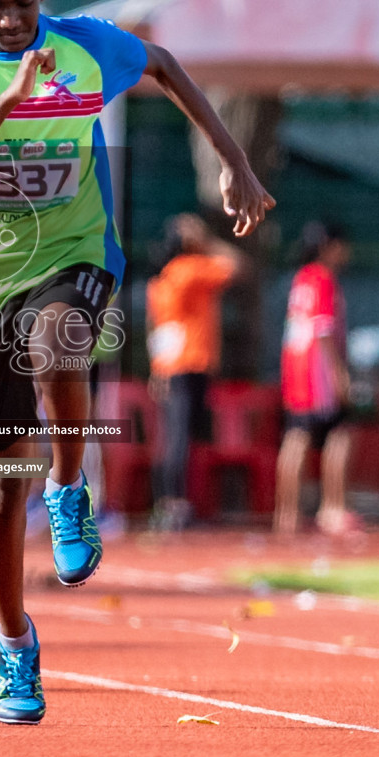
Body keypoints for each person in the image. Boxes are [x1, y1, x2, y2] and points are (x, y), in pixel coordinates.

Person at [0, 0, 274, 724]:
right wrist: (8, 96)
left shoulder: (84, 46)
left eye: (25, 3)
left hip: (73, 255)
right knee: (2, 475)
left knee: (59, 347)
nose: (11, 20)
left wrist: (234, 160)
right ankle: (13, 643)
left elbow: (166, 64)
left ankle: (70, 487)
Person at [146, 213, 245, 531]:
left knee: (174, 437)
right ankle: (175, 505)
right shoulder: (190, 269)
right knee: (179, 438)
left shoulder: (162, 277)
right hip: (190, 364)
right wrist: (206, 241)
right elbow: (237, 264)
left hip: (169, 366)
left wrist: (156, 371)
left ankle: (170, 502)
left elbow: (159, 329)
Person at [276, 220, 355, 536]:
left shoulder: (300, 279)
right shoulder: (323, 278)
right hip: (317, 374)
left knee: (296, 437)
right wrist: (339, 374)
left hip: (295, 370)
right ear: (330, 246)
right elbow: (324, 332)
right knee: (341, 433)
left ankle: (286, 513)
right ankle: (333, 509)